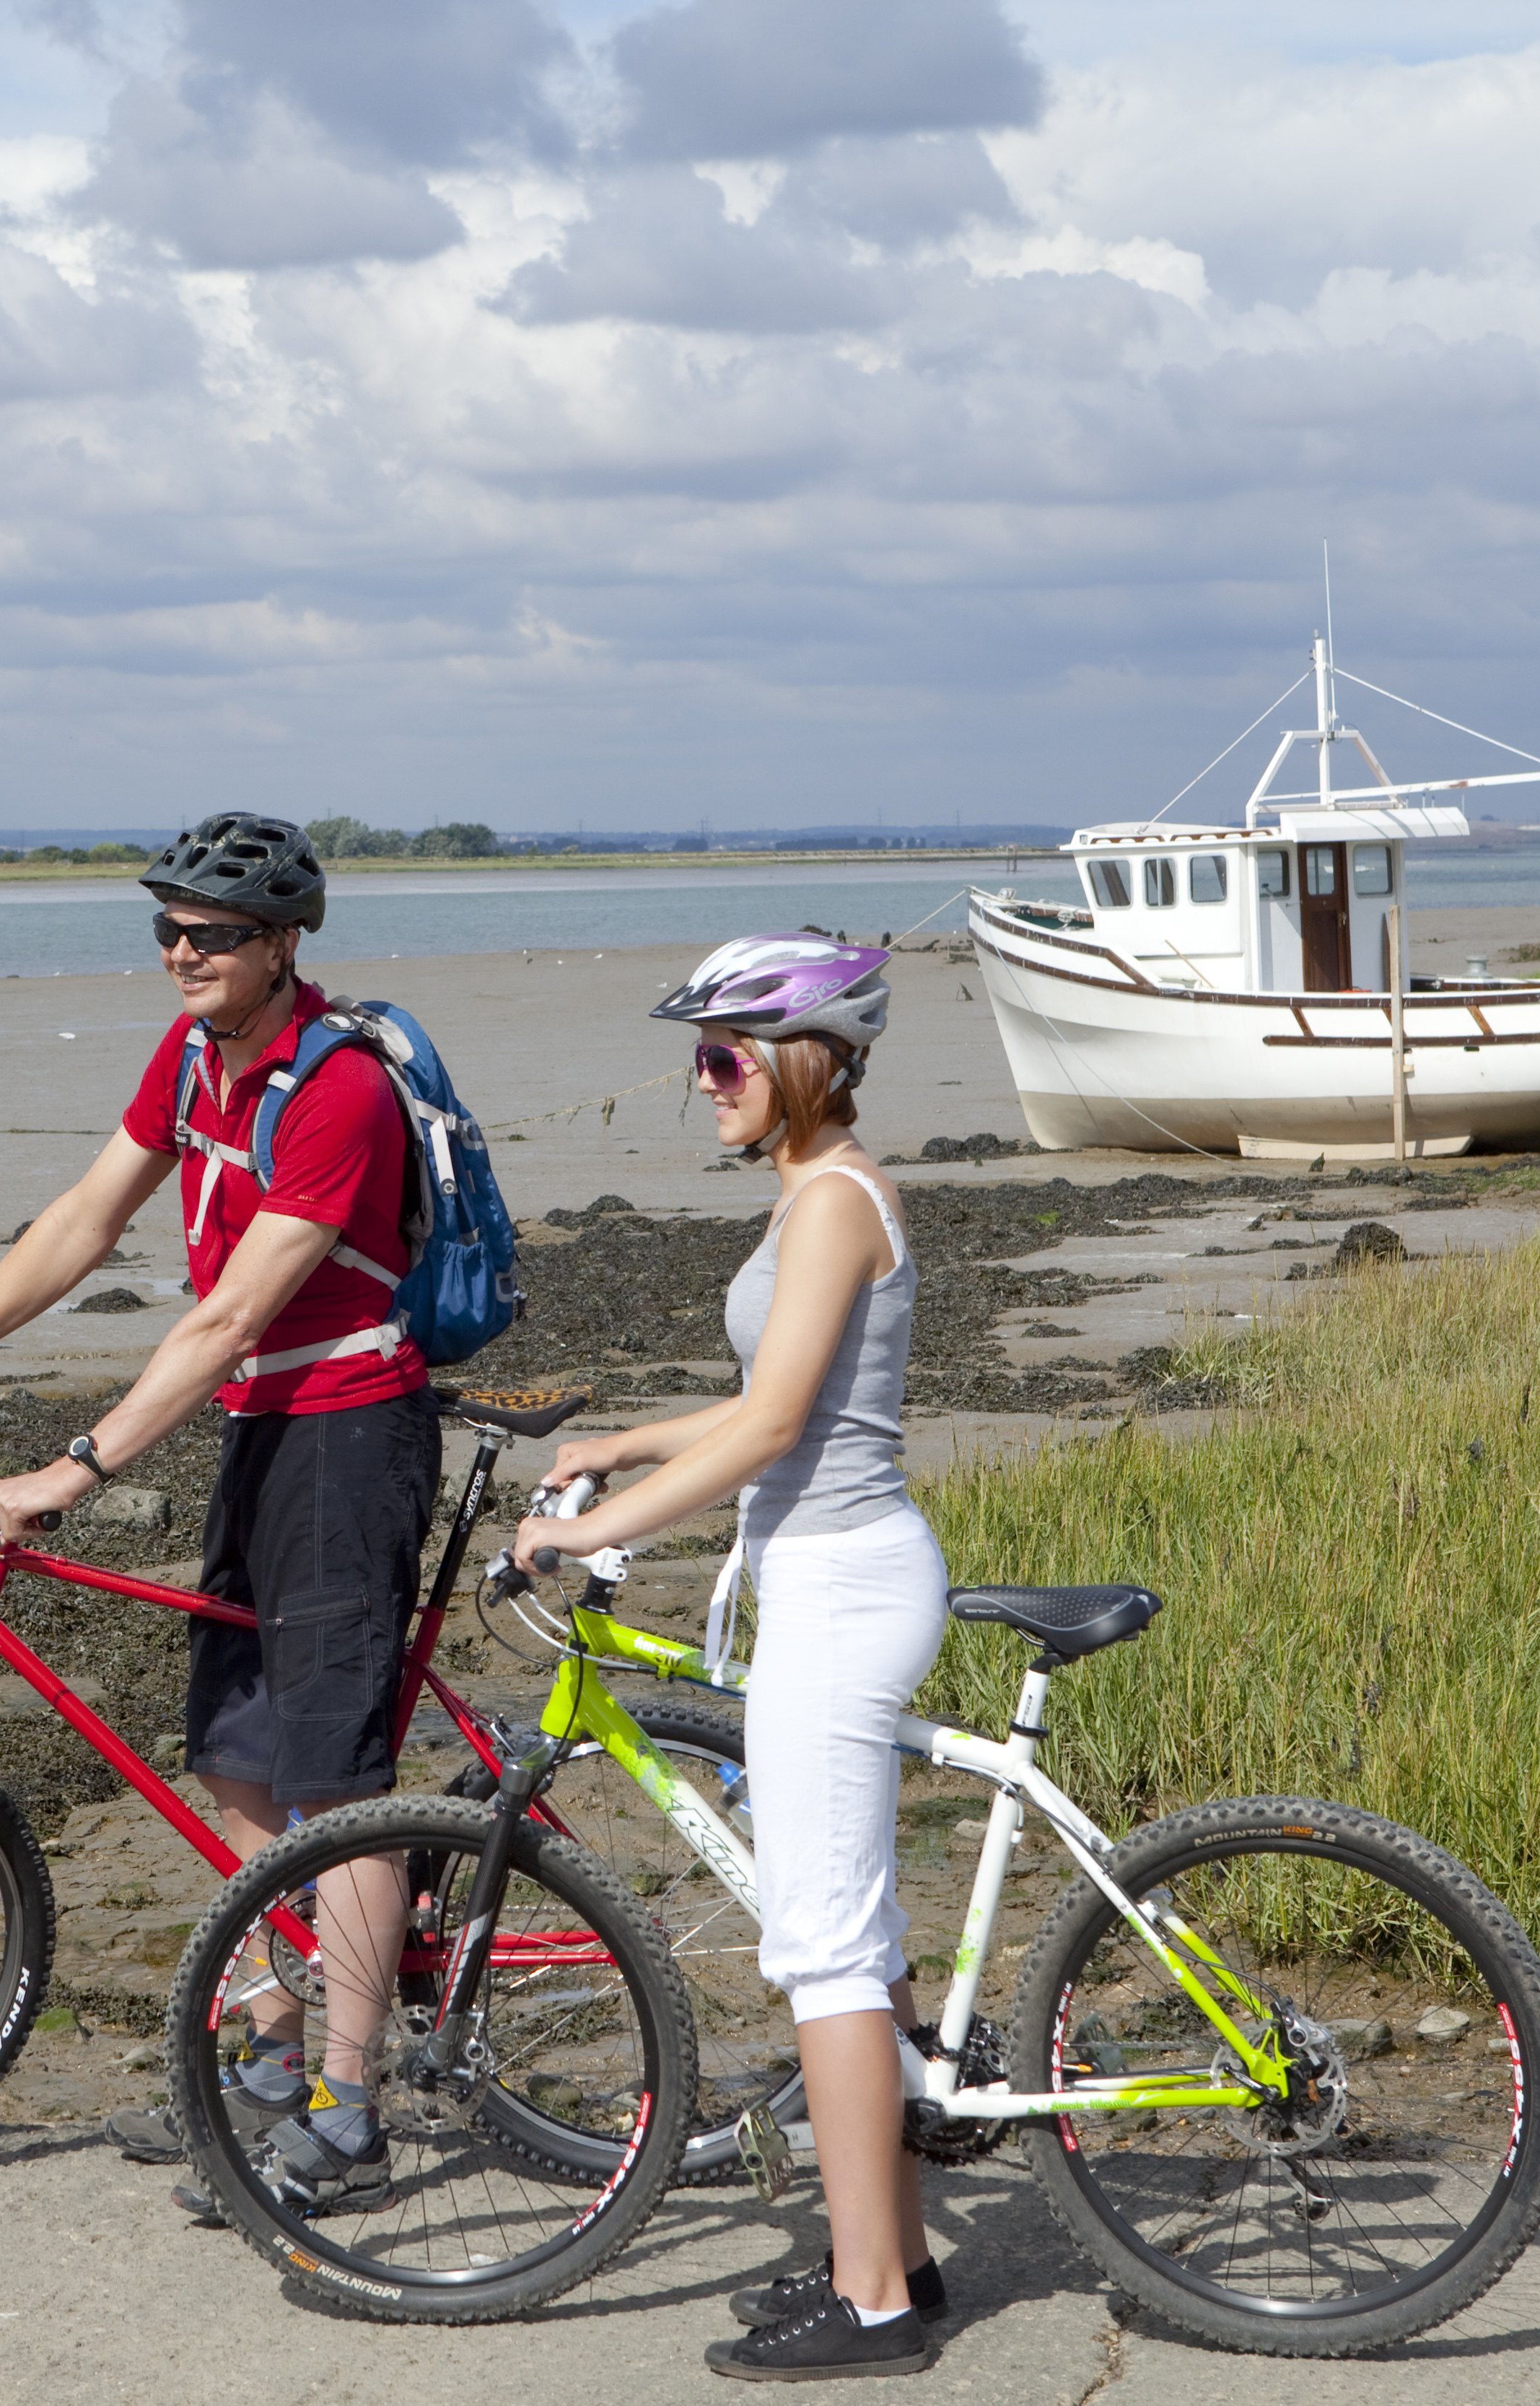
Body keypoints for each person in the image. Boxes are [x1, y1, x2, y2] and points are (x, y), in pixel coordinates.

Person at [0, 811, 437, 2217]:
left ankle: (352, 2115)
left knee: (337, 1785)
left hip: (349, 1435)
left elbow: (231, 1312)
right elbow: (83, 1221)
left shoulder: (335, 1085)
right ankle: (269, 2063)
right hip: (259, 1434)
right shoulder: (190, 1059)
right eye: (166, 927)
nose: (183, 951)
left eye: (214, 933)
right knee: (236, 1758)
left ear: (286, 943)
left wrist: (75, 1468)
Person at [509, 933, 950, 2382]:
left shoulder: (831, 1201)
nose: (699, 1081)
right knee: (856, 1933)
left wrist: (596, 1530)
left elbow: (771, 1434)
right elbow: (775, 1396)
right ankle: (898, 2249)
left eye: (721, 1056)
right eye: (696, 1056)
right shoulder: (814, 1194)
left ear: (799, 1060)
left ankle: (872, 2294)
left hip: (841, 1591)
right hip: (817, 1582)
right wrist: (628, 1438)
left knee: (824, 1945)